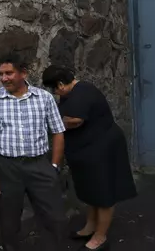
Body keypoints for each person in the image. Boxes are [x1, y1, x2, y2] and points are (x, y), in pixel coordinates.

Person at [42, 65, 137, 251]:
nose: (54, 93)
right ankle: (90, 227)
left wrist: (51, 123)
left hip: (102, 149)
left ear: (60, 84)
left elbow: (75, 121)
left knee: (103, 193)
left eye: (53, 88)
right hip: (86, 150)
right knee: (91, 191)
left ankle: (100, 237)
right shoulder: (71, 93)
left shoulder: (83, 93)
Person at [0, 52, 67, 251]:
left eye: (9, 73)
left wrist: (53, 166)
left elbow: (58, 132)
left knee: (54, 217)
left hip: (39, 164)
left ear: (23, 73)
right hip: (6, 167)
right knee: (9, 222)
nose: (4, 78)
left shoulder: (44, 98)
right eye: (1, 74)